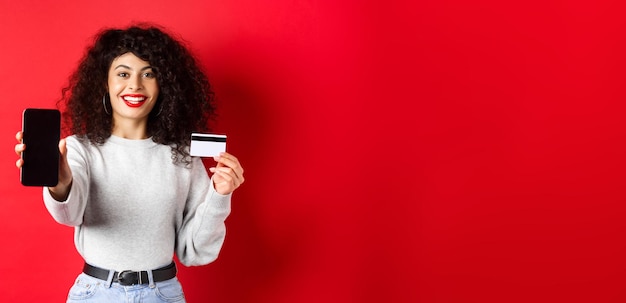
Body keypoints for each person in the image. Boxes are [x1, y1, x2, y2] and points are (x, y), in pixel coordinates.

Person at [14, 24, 244, 302]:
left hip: (163, 294)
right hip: (95, 294)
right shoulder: (79, 149)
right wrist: (61, 185)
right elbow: (68, 215)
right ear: (105, 83)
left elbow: (195, 251)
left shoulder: (183, 155)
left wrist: (220, 196)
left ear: (164, 85)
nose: (135, 85)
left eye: (149, 74)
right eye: (123, 73)